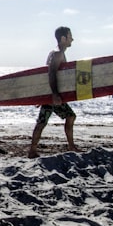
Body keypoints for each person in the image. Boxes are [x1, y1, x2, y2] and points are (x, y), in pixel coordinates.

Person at [28, 27, 80, 158]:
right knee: (70, 116)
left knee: (42, 122)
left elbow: (46, 75)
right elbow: (51, 74)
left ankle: (32, 151)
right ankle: (71, 146)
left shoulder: (54, 52)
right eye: (70, 36)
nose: (72, 39)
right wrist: (55, 95)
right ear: (63, 38)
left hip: (49, 95)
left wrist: (43, 95)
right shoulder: (58, 54)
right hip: (53, 95)